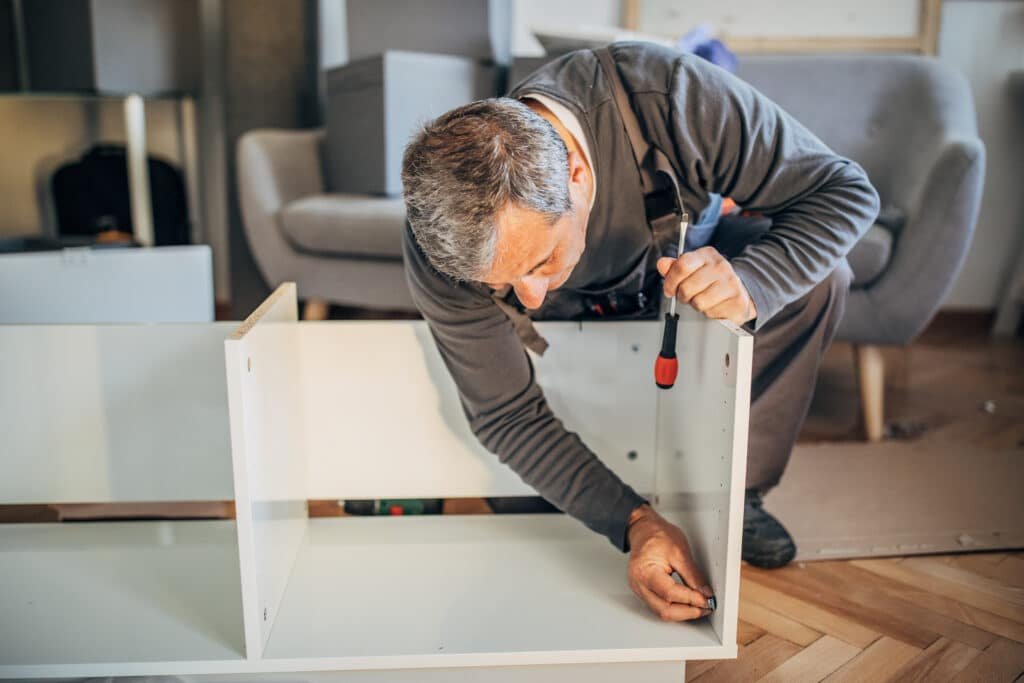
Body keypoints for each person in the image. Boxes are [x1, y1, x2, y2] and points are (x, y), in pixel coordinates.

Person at [401, 42, 879, 622]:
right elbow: (506, 415)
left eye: (539, 261)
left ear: (576, 175)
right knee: (522, 507)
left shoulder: (673, 98)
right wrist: (636, 523)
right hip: (571, 331)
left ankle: (741, 492)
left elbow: (848, 191)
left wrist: (754, 280)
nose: (528, 294)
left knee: (822, 279)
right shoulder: (441, 241)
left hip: (681, 272)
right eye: (503, 283)